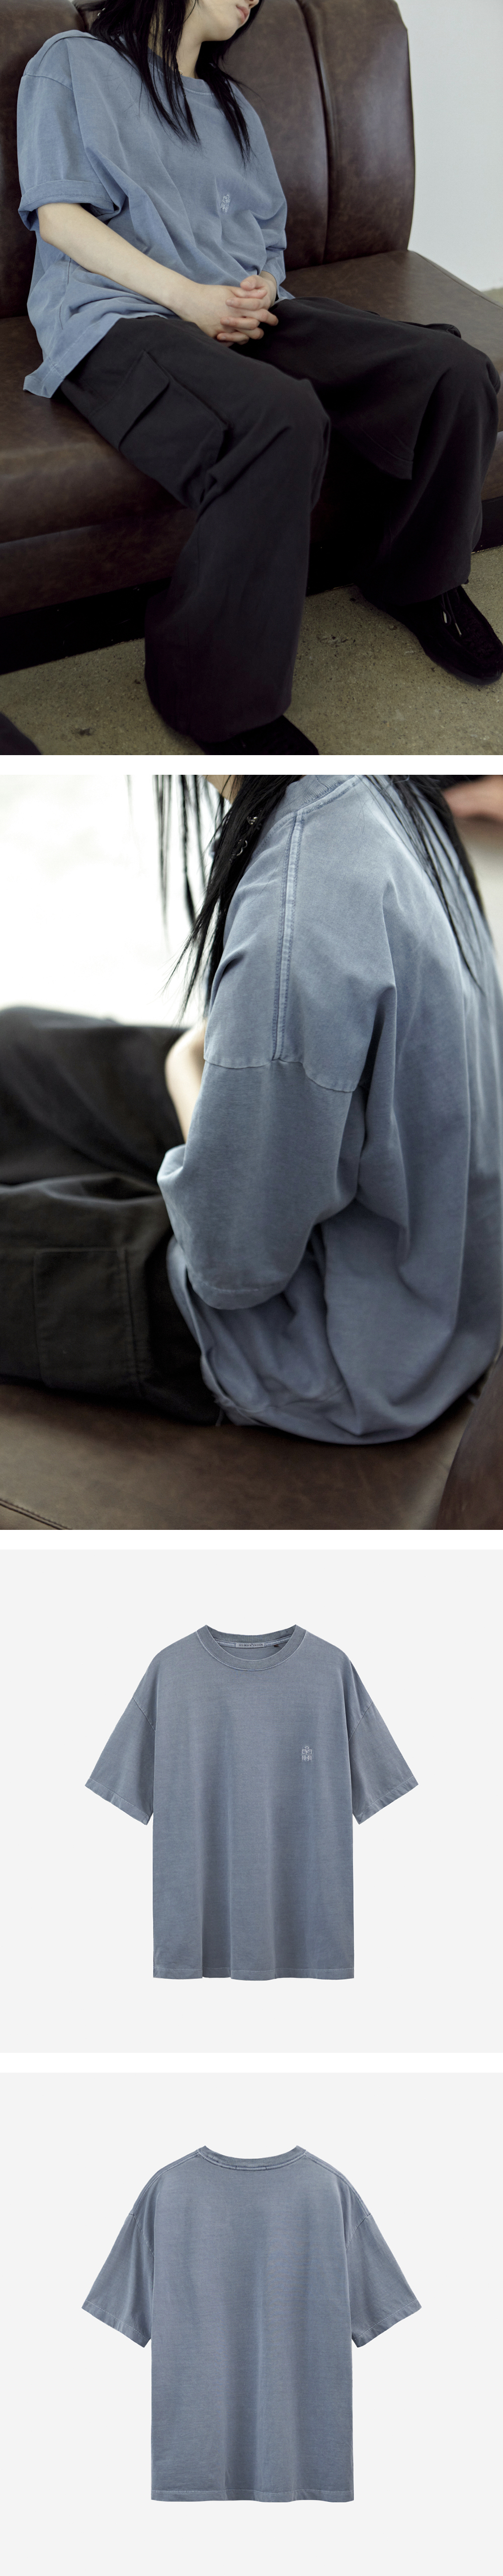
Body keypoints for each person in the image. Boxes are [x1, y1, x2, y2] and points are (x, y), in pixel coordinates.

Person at [17, 0, 503, 755]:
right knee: (279, 418)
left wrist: (257, 289)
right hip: (121, 320)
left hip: (245, 315)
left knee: (456, 372)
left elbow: (266, 242)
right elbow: (59, 217)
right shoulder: (71, 62)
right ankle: (214, 700)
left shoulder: (232, 106)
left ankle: (420, 581)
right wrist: (188, 299)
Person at [2, 773, 502, 1443]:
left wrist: (186, 1075)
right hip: (430, 1268)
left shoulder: (296, 904)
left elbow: (230, 1265)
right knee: (15, 1048)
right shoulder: (372, 790)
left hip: (337, 1348)